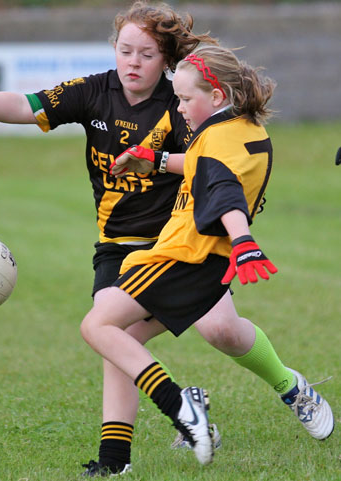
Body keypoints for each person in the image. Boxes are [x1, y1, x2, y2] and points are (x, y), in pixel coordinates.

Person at [0, 1, 225, 475]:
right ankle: (126, 451)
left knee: (218, 331)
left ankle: (200, 408)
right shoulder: (95, 92)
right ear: (114, 50)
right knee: (111, 334)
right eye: (125, 51)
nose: (133, 63)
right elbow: (27, 104)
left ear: (165, 60)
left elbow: (217, 161)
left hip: (173, 246)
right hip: (115, 247)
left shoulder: (179, 106)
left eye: (145, 54)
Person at [80, 44, 334, 475]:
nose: (178, 109)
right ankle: (115, 460)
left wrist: (244, 240)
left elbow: (223, 190)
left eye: (184, 99)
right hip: (205, 265)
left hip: (182, 256)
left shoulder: (215, 139)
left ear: (216, 96)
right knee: (129, 337)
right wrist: (156, 160)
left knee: (98, 325)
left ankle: (183, 409)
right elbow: (206, 166)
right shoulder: (240, 129)